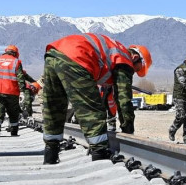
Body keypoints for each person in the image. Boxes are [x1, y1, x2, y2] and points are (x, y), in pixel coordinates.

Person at [41, 34, 151, 164]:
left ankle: (50, 155)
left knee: (54, 107)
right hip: (78, 56)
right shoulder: (124, 59)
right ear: (135, 57)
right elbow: (124, 100)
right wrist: (128, 131)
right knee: (92, 111)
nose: (133, 72)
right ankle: (100, 155)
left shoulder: (114, 50)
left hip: (53, 53)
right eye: (137, 68)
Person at [0, 45, 35, 137]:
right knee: (13, 113)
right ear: (15, 53)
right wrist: (22, 92)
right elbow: (20, 78)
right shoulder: (16, 62)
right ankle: (14, 132)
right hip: (11, 92)